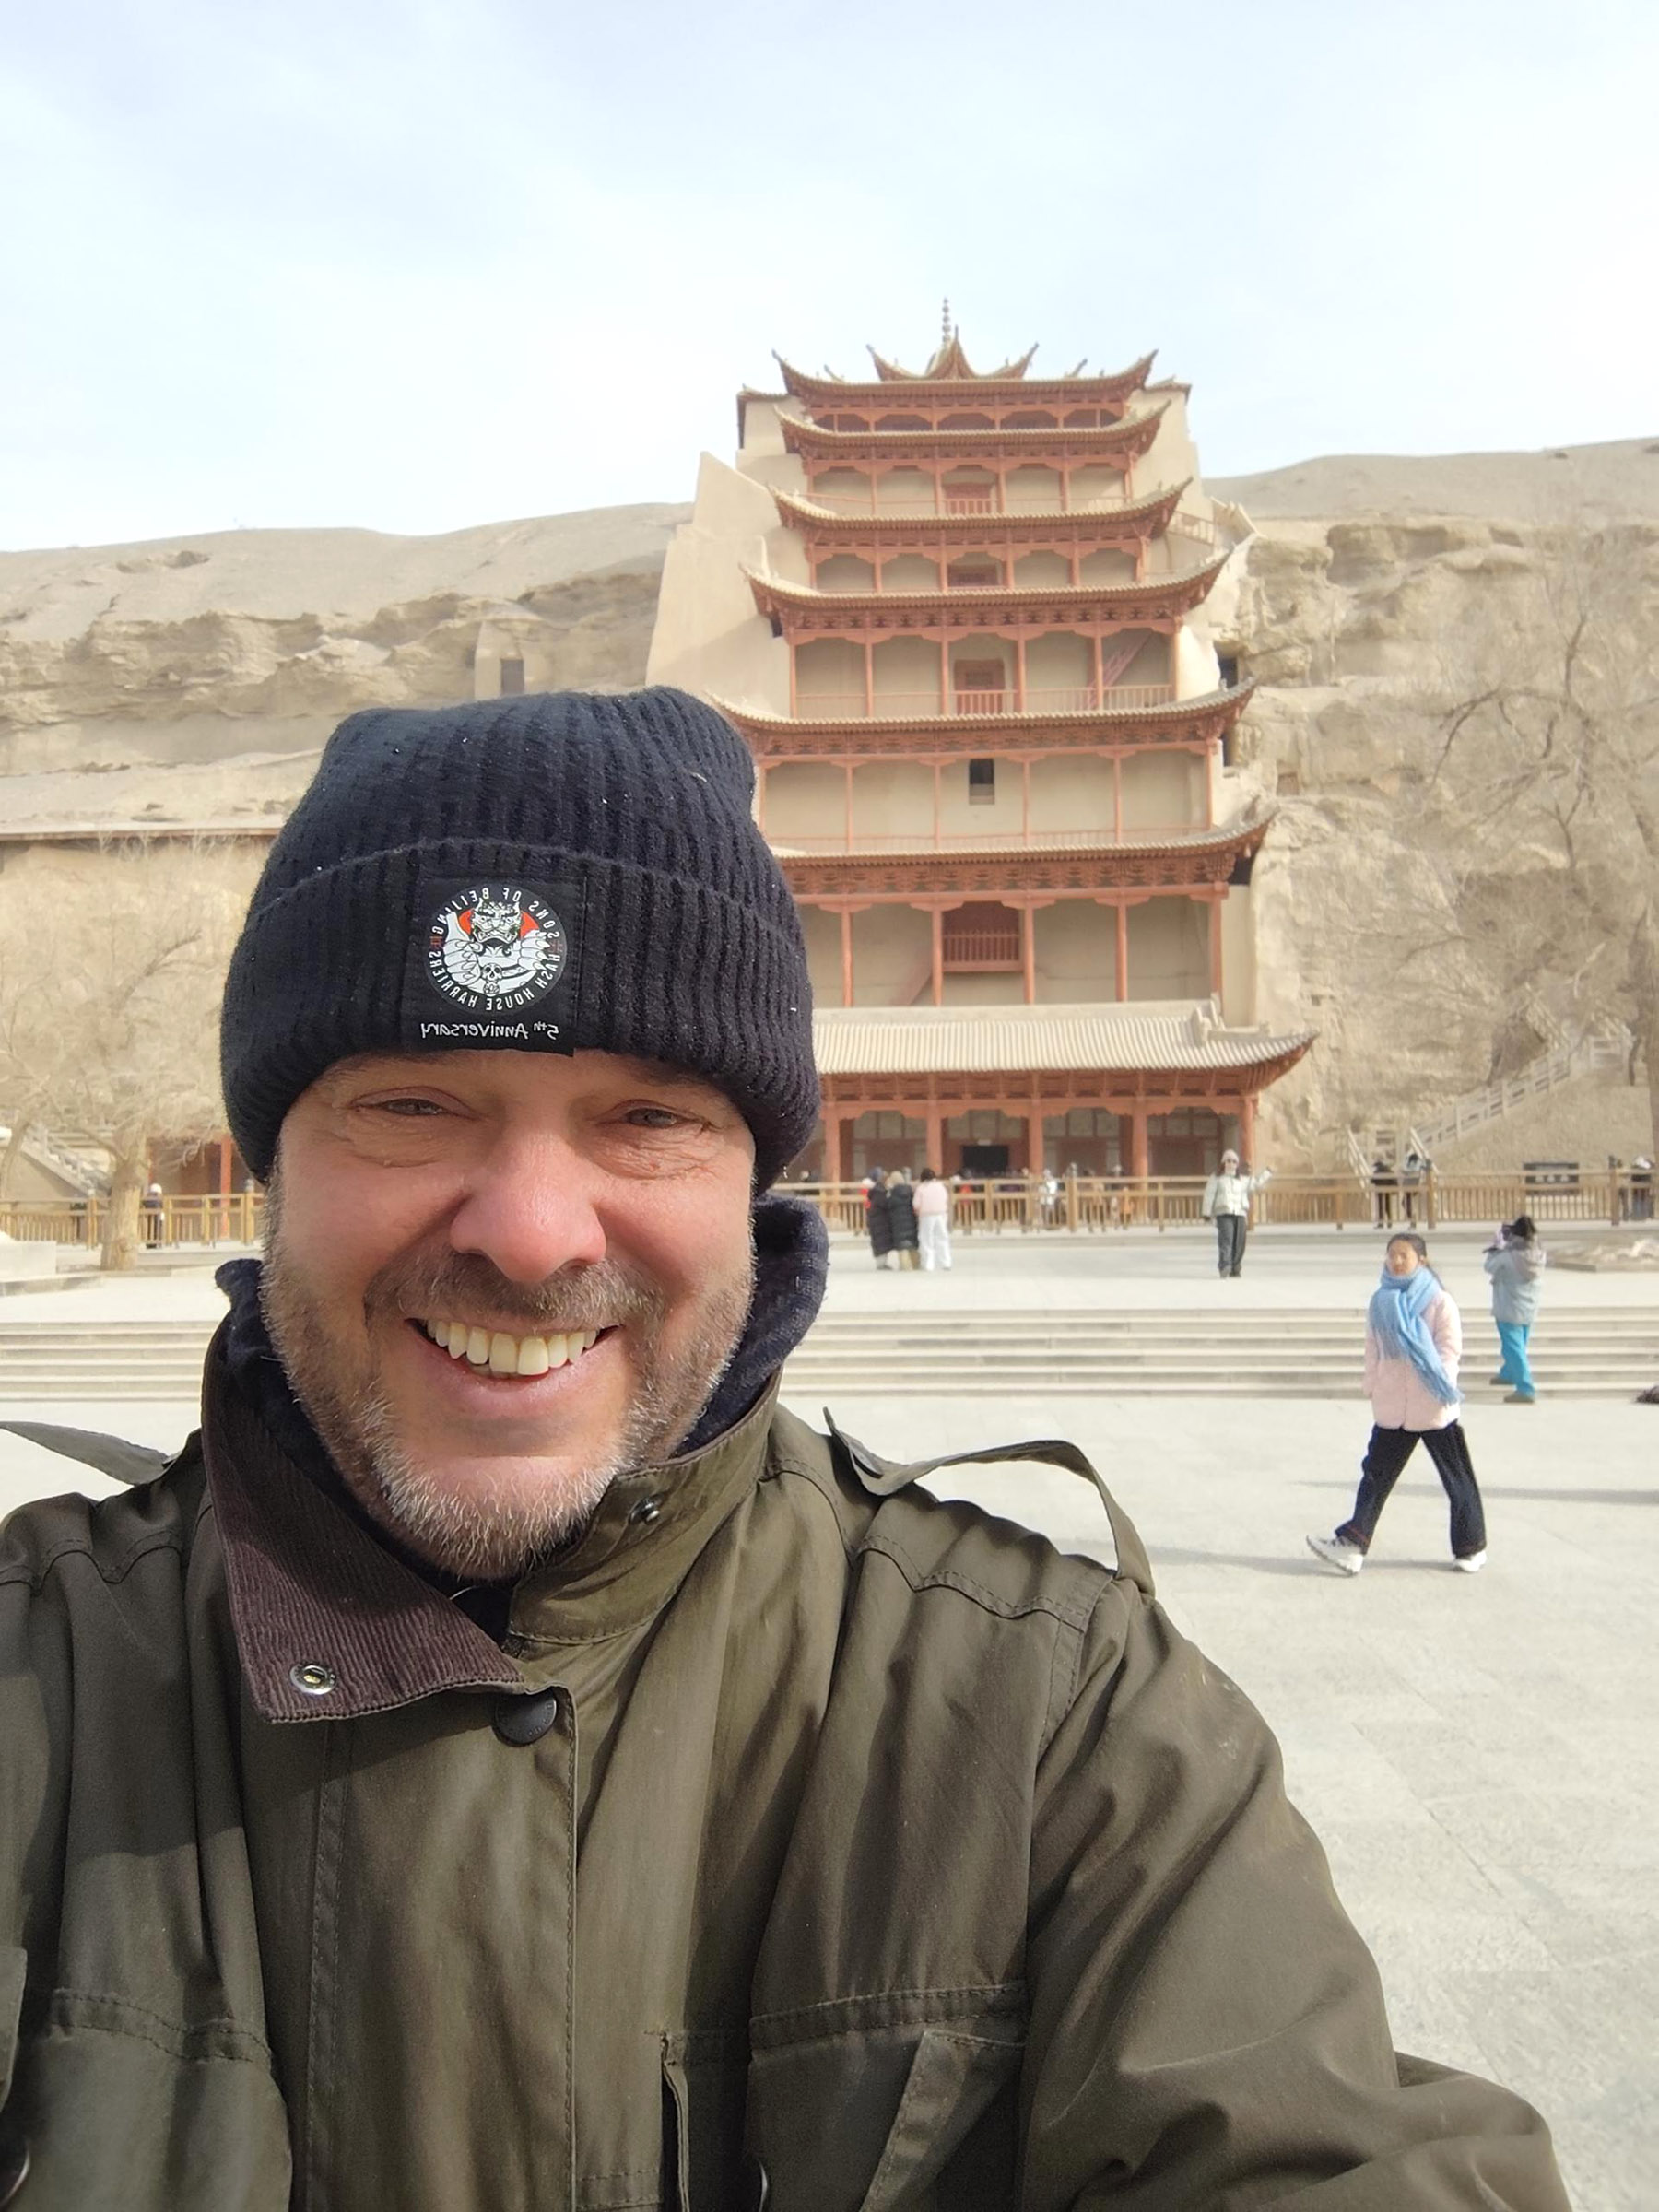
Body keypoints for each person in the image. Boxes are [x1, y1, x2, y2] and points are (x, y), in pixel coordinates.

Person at [0, 690, 1569, 2208]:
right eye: (412, 1104)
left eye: (647, 1117)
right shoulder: (36, 1688)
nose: (532, 1235)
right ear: (270, 1164)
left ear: (756, 1184)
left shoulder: (1055, 1722)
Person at [1308, 1230, 1488, 1577]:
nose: (1396, 1260)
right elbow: (1373, 1348)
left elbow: (1449, 1350)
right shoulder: (1381, 1301)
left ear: (1422, 1260)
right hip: (1393, 1406)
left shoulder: (1439, 1301)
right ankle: (1353, 1545)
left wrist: (1439, 1384)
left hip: (1433, 1405)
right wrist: (1373, 1384)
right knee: (1375, 1477)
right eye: (1392, 1254)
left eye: (1404, 1255)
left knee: (1457, 1479)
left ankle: (1471, 1547)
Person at [1485, 1214, 1546, 1404]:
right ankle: (1509, 1372)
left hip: (1509, 1306)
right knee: (1519, 1344)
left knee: (1514, 1348)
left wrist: (1496, 1248)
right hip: (1529, 1306)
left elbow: (1489, 1267)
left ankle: (1525, 1388)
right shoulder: (1539, 1254)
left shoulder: (1508, 1256)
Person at [1200, 1146, 1273, 1277]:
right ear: (1223, 1163)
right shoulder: (1216, 1178)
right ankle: (1225, 1266)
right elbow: (1209, 1195)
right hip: (1224, 1213)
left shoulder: (1242, 1180)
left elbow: (1256, 1184)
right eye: (1228, 1161)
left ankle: (1235, 1268)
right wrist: (1206, 1213)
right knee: (1226, 1241)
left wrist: (1267, 1173)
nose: (1231, 1164)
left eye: (1234, 1162)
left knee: (1239, 1243)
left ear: (1237, 1164)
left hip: (1240, 1213)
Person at [913, 1163, 952, 1270]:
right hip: (941, 1214)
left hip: (926, 1215)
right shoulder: (941, 1186)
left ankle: (928, 1264)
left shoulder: (921, 1188)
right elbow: (946, 1199)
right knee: (942, 1238)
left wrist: (917, 1211)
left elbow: (916, 1204)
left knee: (926, 1239)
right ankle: (946, 1262)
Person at [885, 1167, 919, 1269]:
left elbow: (888, 1205)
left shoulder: (893, 1194)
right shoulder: (910, 1191)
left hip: (898, 1222)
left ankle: (905, 1266)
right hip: (910, 1220)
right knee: (912, 1244)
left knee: (902, 1246)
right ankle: (916, 1264)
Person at [865, 1167, 895, 1268]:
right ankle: (881, 1263)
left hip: (876, 1220)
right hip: (879, 1221)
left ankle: (882, 1262)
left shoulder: (876, 1191)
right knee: (881, 1242)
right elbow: (884, 1204)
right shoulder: (880, 1192)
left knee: (880, 1241)